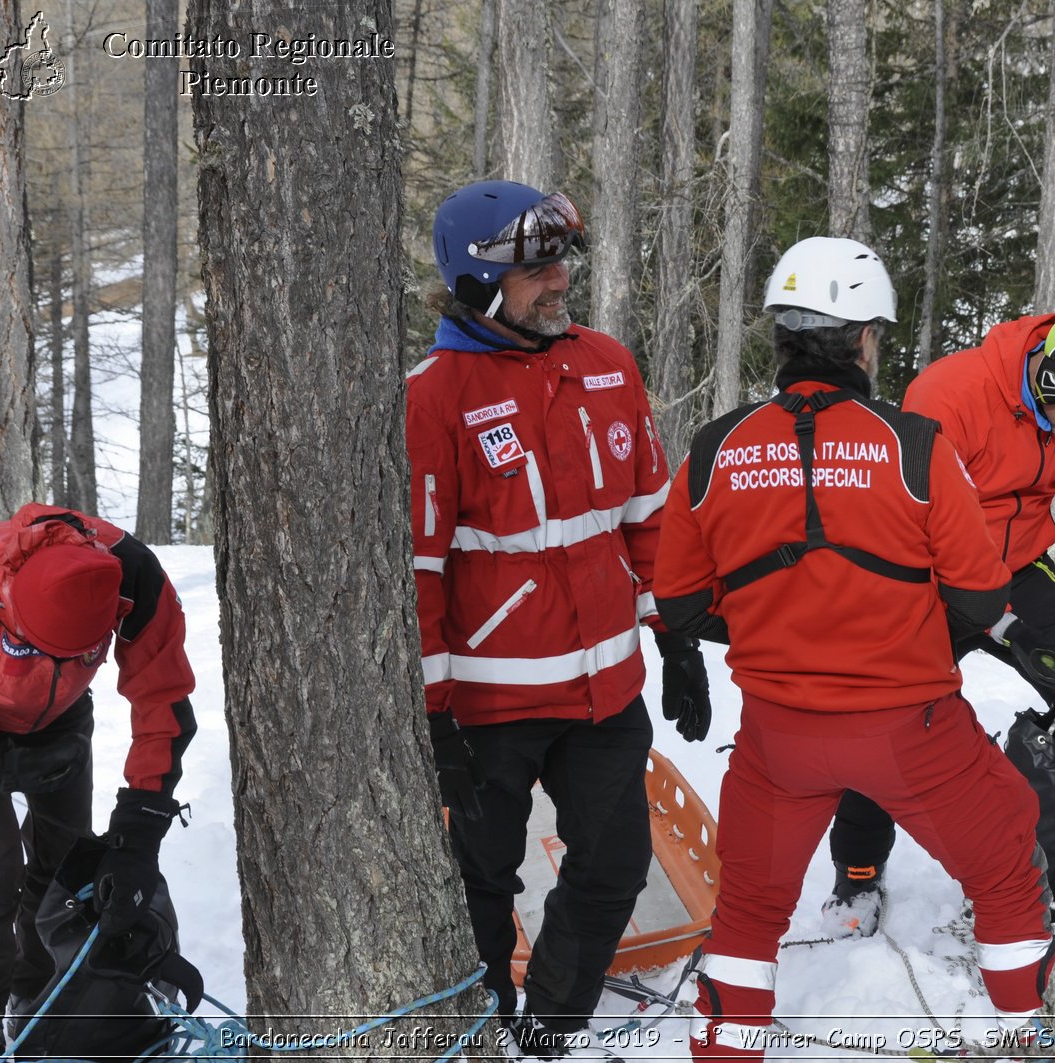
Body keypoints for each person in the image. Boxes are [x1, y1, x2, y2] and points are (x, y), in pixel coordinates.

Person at [655, 237, 1055, 1060]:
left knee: (749, 912)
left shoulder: (712, 449)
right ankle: (1028, 1032)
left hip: (776, 736)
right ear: (865, 340)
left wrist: (774, 623)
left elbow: (683, 601)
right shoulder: (915, 444)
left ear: (782, 338)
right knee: (1007, 857)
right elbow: (982, 596)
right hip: (911, 729)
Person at [407, 179, 713, 1060]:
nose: (559, 280)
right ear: (472, 282)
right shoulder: (433, 396)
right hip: (491, 710)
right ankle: (483, 1026)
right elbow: (420, 573)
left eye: (561, 261)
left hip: (607, 692)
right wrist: (434, 720)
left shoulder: (609, 363)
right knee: (481, 885)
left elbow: (650, 515)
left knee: (615, 866)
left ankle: (546, 1029)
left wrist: (676, 633)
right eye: (536, 268)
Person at [823, 303, 1055, 937]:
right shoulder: (950, 395)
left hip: (1021, 566)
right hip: (923, 575)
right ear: (1053, 375)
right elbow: (907, 528)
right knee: (883, 717)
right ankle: (858, 871)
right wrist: (1003, 627)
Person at [0, 504, 197, 1060]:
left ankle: (36, 999)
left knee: (64, 869)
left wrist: (139, 832)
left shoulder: (136, 578)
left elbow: (162, 700)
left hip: (60, 720)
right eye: (36, 649)